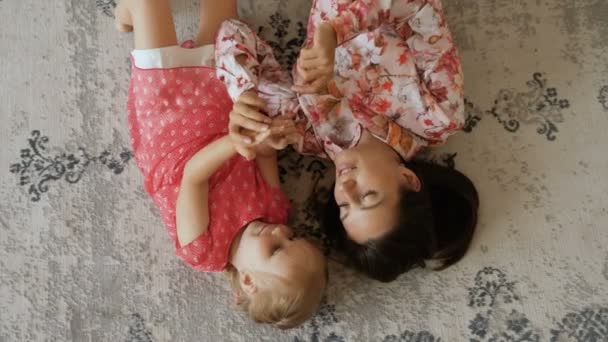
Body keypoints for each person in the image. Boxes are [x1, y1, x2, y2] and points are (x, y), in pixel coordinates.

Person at [115, 0, 326, 327]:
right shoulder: (273, 211)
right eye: (293, 237)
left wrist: (236, 142)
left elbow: (192, 177)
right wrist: (271, 136)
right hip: (220, 111)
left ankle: (128, 12)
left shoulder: (203, 251)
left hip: (169, 123)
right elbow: (267, 155)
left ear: (248, 281)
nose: (280, 231)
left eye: (276, 249)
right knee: (224, 13)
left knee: (149, 4)